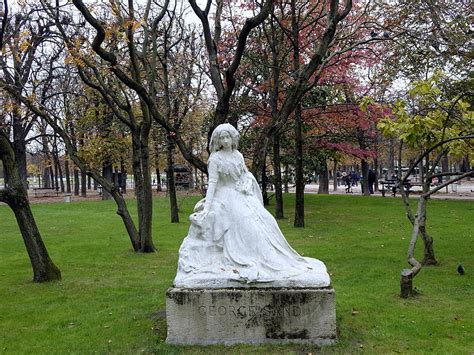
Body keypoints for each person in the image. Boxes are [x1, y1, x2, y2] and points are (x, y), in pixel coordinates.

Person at [173, 123, 329, 288]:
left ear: (233, 138)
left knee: (266, 220)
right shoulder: (215, 159)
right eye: (222, 138)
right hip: (225, 196)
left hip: (242, 194)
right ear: (217, 141)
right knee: (244, 220)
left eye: (228, 137)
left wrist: (247, 181)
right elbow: (212, 183)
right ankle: (246, 258)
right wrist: (207, 206)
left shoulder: (238, 155)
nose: (226, 141)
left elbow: (245, 173)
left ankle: (269, 257)